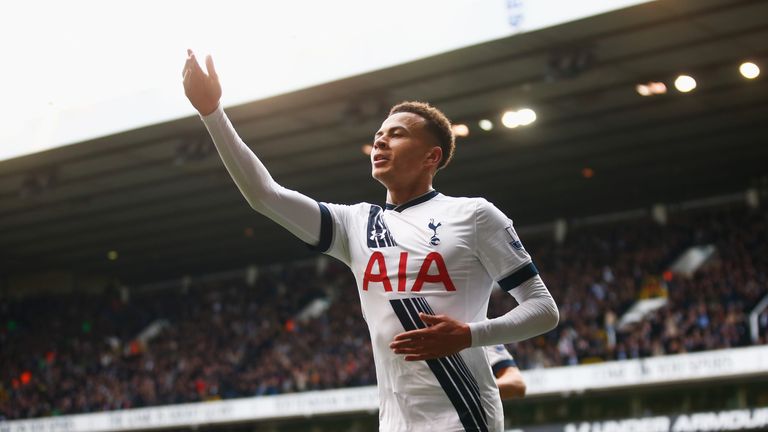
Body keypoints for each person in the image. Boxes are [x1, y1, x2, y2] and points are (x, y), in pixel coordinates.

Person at [182, 49, 558, 432]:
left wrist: (467, 335)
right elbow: (265, 195)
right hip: (395, 422)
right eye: (378, 135)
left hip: (464, 416)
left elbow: (543, 308)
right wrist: (212, 113)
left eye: (397, 134)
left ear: (432, 156)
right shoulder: (355, 223)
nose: (380, 142)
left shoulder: (474, 215)